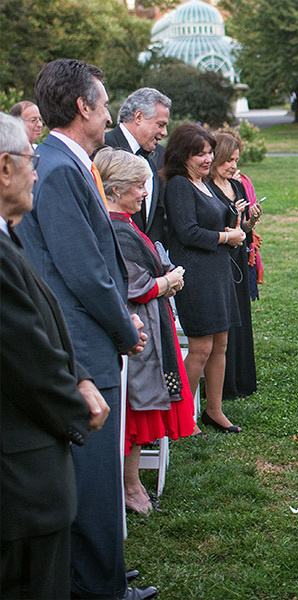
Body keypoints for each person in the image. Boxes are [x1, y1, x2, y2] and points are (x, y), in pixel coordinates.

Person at [14, 59, 154, 600]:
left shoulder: (69, 162)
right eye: (104, 98)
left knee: (92, 471)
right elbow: (84, 270)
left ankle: (103, 568)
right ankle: (99, 587)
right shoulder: (60, 167)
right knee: (93, 474)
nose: (106, 108)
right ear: (83, 107)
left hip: (87, 331)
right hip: (82, 338)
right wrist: (125, 329)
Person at [0, 112, 106, 599]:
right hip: (20, 484)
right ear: (5, 168)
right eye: (30, 160)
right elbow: (21, 353)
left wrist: (79, 374)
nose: (37, 172)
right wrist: (77, 410)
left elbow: (42, 320)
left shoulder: (10, 233)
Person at [94, 147, 196, 515]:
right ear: (117, 189)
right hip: (136, 334)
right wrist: (167, 281)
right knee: (134, 415)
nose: (144, 192)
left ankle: (130, 484)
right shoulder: (116, 228)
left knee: (138, 413)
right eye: (138, 185)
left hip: (149, 327)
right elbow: (131, 286)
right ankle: (130, 486)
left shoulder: (122, 223)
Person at [163, 123, 244, 434]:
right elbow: (187, 232)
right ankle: (180, 417)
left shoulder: (205, 182)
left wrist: (237, 220)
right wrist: (226, 237)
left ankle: (214, 410)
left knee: (220, 344)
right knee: (200, 348)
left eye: (210, 152)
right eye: (201, 154)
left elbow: (216, 217)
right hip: (196, 273)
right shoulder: (179, 186)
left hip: (218, 270)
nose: (208, 158)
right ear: (183, 156)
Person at [208, 130, 261, 401]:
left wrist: (250, 221)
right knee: (223, 322)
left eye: (236, 160)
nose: (233, 166)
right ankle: (222, 385)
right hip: (218, 258)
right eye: (229, 160)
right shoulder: (207, 188)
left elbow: (245, 230)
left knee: (240, 317)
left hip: (238, 257)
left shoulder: (237, 186)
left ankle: (242, 379)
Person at [103, 87, 171, 246]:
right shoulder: (103, 149)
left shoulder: (160, 155)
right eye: (160, 125)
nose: (165, 132)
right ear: (138, 117)